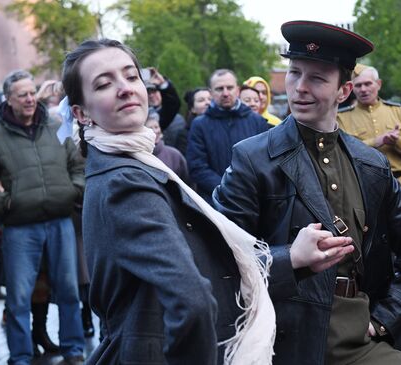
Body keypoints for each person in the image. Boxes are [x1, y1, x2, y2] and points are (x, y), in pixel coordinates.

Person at [62, 38, 346, 364]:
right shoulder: (124, 182)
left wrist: (291, 258)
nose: (125, 88)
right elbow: (193, 298)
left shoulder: (136, 164)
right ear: (81, 113)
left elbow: (207, 267)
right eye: (103, 84)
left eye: (131, 75)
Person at [214, 20, 401, 364]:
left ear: (343, 91)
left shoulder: (371, 165)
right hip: (284, 334)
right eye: (294, 73)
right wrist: (290, 258)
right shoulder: (252, 157)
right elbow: (218, 258)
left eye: (317, 78)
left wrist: (385, 320)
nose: (300, 87)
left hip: (359, 333)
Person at [0, 70, 85, 365]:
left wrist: (72, 192)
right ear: (9, 99)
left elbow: (77, 167)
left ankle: (74, 350)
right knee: (18, 297)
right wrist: (4, 202)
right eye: (22, 95)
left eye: (32, 93)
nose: (30, 99)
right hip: (18, 226)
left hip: (60, 220)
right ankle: (20, 356)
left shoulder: (56, 125)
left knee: (68, 290)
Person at [186, 69, 268, 203]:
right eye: (219, 89)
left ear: (238, 90)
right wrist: (226, 189)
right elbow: (197, 167)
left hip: (252, 201)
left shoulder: (257, 122)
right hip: (214, 204)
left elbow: (266, 163)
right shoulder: (199, 125)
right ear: (211, 93)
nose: (225, 93)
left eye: (229, 87)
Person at [337, 66, 401, 196]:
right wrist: (376, 141)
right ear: (352, 88)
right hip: (362, 187)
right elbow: (342, 154)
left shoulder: (396, 111)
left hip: (398, 185)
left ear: (379, 84)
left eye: (368, 84)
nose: (363, 89)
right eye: (358, 85)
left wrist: (397, 140)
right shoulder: (342, 117)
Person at [145, 110, 189, 182]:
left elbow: (188, 183)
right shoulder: (137, 156)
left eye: (156, 127)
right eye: (150, 128)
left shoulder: (175, 155)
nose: (155, 131)